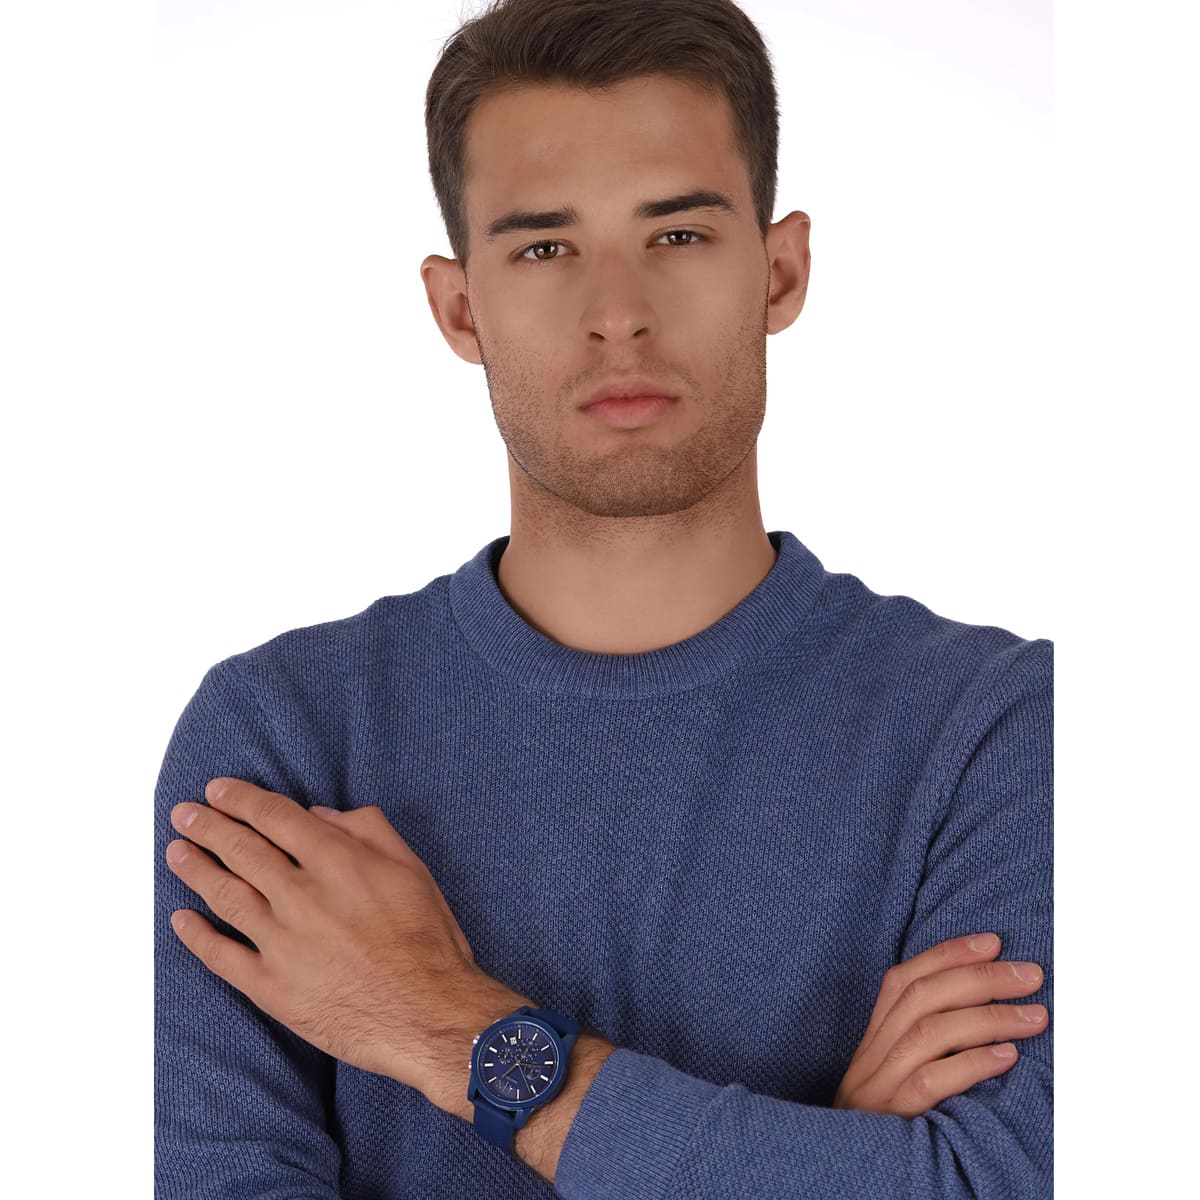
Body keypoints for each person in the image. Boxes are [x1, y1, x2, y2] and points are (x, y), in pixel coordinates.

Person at [153, 1, 1052, 1196]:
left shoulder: (1003, 732)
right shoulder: (278, 746)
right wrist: (823, 1159)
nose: (618, 312)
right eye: (543, 248)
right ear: (458, 307)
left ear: (780, 272)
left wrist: (441, 1024)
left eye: (677, 235)